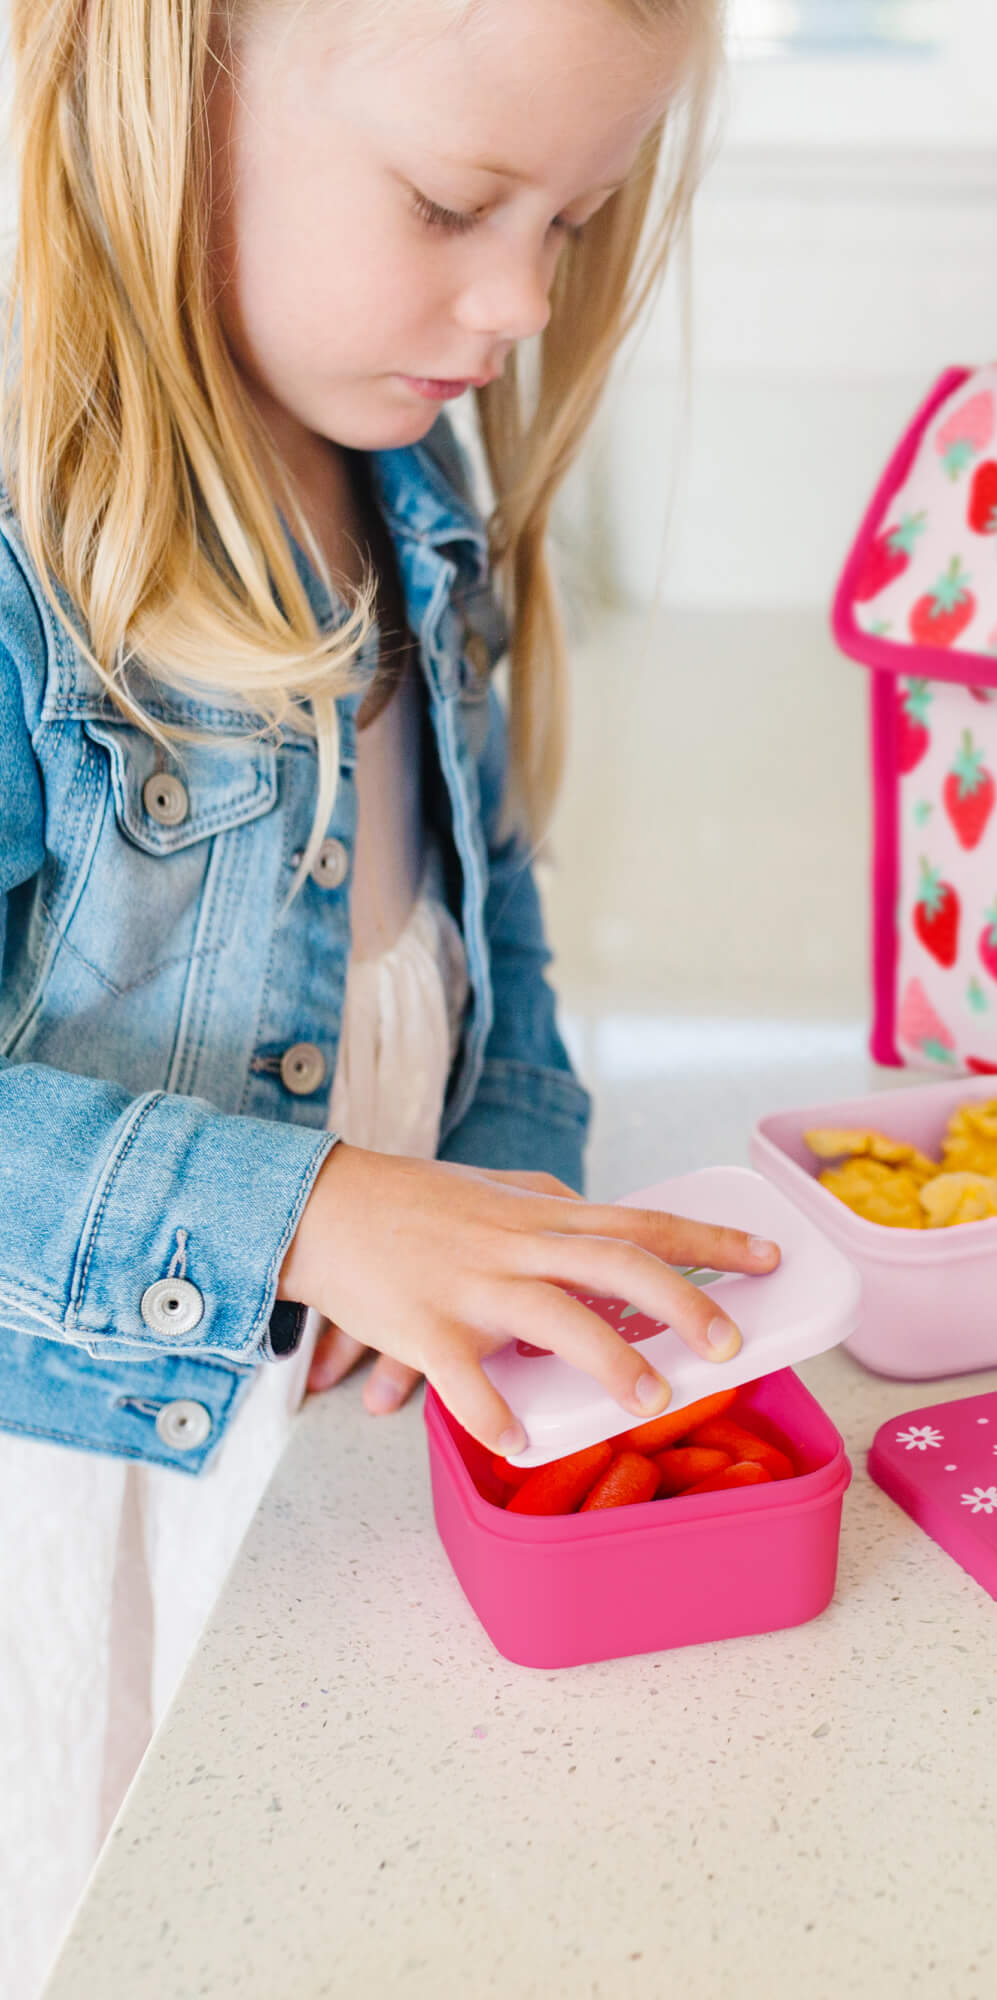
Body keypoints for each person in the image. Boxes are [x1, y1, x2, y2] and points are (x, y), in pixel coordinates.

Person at [0, 3, 754, 1991]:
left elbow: (488, 927)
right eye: (448, 202)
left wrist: (517, 1205)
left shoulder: (411, 489)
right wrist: (314, 1211)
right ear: (179, 81)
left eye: (574, 225)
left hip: (320, 1455)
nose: (515, 299)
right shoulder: (27, 566)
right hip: (73, 1497)